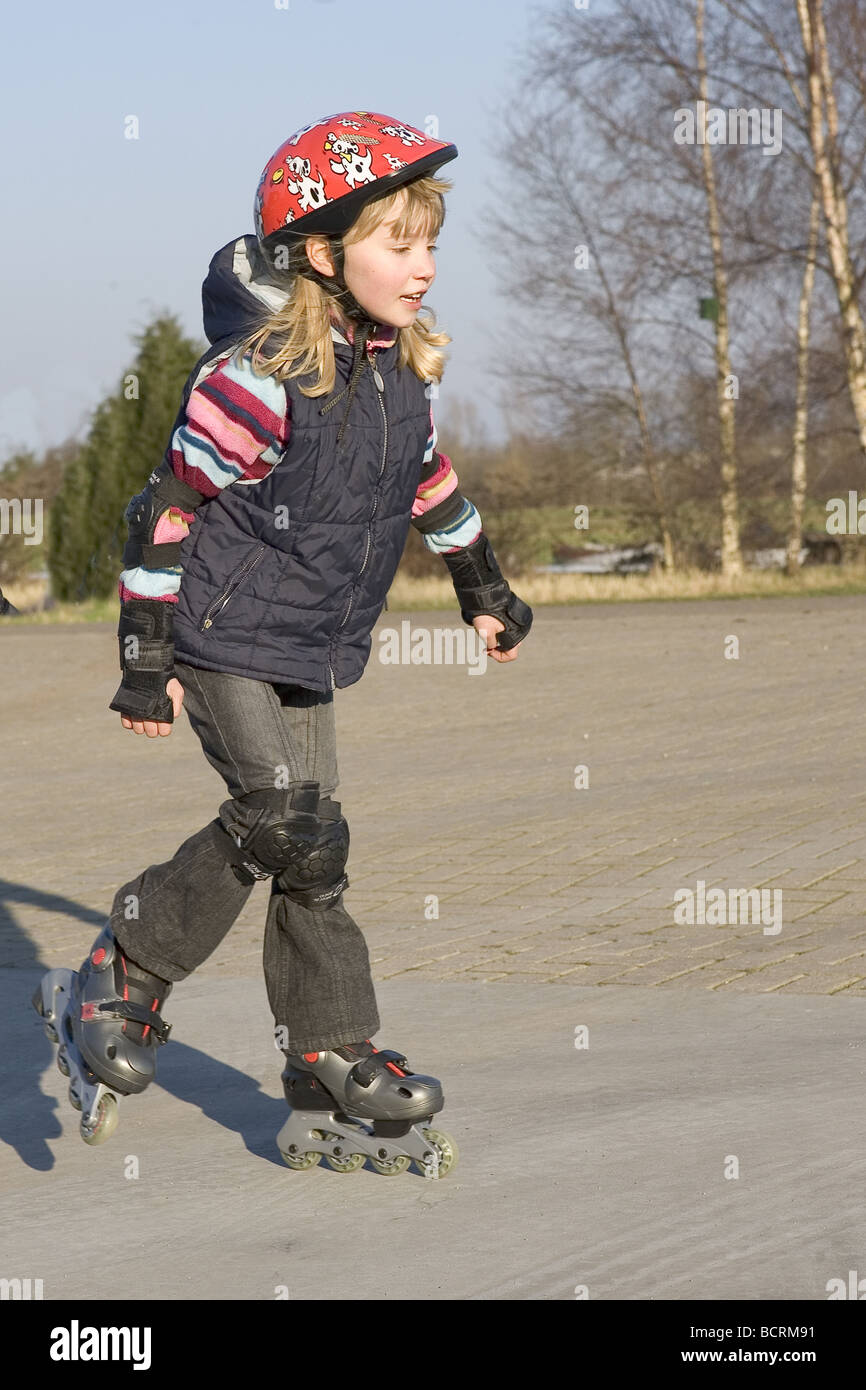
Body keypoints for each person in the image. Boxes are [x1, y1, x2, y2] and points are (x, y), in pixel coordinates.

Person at [35, 111, 532, 1173]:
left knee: (317, 848)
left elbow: (429, 487)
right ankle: (120, 970)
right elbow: (163, 509)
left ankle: (326, 1050)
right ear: (321, 251)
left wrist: (479, 583)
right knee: (279, 818)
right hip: (219, 630)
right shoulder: (258, 377)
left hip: (308, 640)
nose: (422, 265)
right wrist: (144, 654)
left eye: (429, 242)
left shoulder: (401, 375)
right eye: (396, 242)